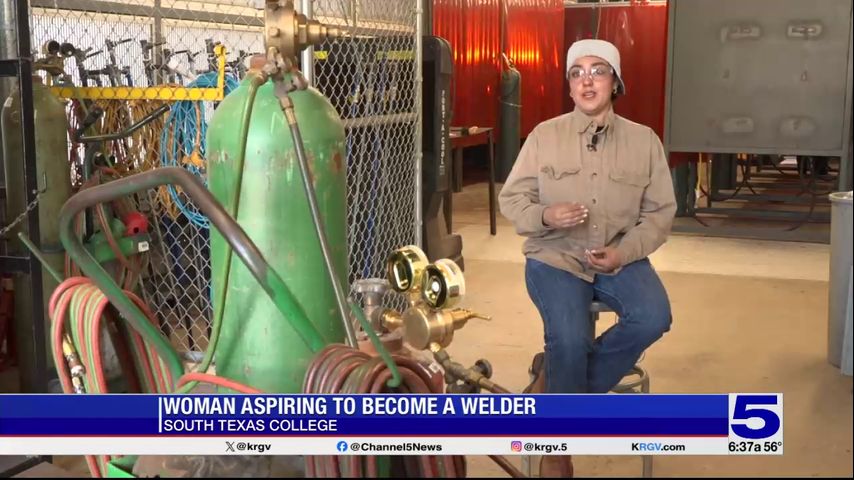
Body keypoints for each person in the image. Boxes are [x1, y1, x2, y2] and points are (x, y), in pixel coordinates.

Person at [499, 39, 677, 396]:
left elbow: (659, 213)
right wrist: (545, 215)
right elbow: (512, 198)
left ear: (615, 82)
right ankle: (565, 416)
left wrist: (623, 253)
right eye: (576, 73)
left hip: (619, 256)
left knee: (653, 318)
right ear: (569, 86)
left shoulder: (644, 142)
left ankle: (560, 389)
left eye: (598, 71)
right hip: (555, 258)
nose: (587, 81)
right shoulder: (544, 136)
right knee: (568, 340)